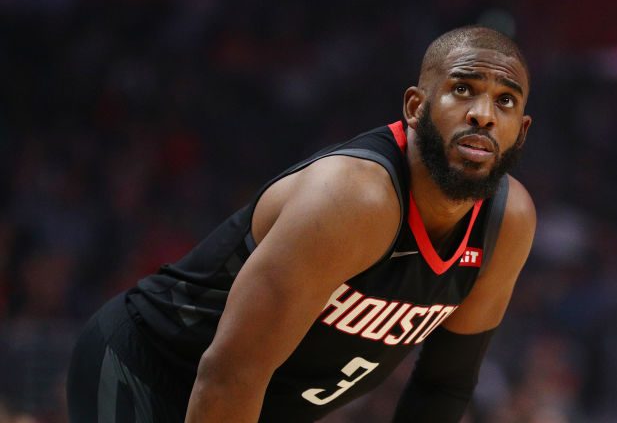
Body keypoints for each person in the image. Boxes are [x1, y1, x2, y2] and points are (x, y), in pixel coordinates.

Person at [66, 25, 536, 422]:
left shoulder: (507, 223)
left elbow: (443, 385)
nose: (483, 115)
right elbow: (231, 373)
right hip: (151, 369)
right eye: (462, 90)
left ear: (521, 131)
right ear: (415, 107)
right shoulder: (353, 200)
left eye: (505, 100)